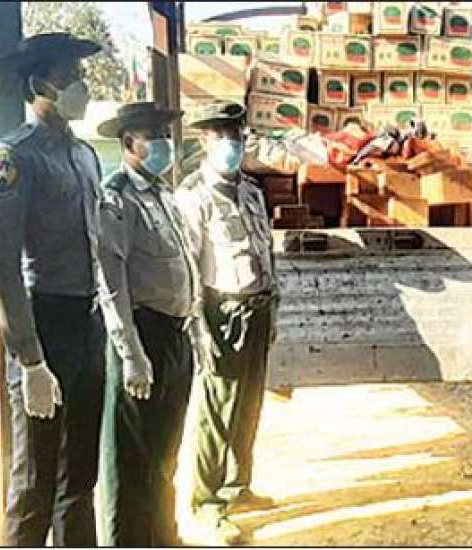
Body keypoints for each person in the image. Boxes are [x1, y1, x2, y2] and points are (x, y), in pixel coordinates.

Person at [0, 32, 104, 546]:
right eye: (69, 76)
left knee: (79, 477)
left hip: (87, 321)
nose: (81, 85)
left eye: (81, 74)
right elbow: (2, 265)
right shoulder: (14, 157)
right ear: (39, 85)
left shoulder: (85, 155)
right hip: (43, 322)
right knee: (34, 481)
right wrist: (31, 359)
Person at [95, 101, 209, 546]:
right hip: (143, 333)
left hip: (174, 334)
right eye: (153, 136)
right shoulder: (116, 197)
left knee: (165, 449)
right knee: (130, 457)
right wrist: (131, 353)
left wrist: (194, 326)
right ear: (129, 143)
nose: (164, 144)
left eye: (165, 135)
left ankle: (163, 536)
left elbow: (184, 265)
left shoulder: (163, 193)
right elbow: (111, 280)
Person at [175, 101, 278, 544]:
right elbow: (188, 265)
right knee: (217, 411)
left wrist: (274, 305)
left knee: (249, 404)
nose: (231, 144)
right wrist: (198, 325)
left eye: (235, 135)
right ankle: (207, 504)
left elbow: (265, 250)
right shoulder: (193, 195)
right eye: (221, 136)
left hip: (258, 306)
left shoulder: (251, 191)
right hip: (223, 311)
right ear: (204, 141)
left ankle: (238, 485)